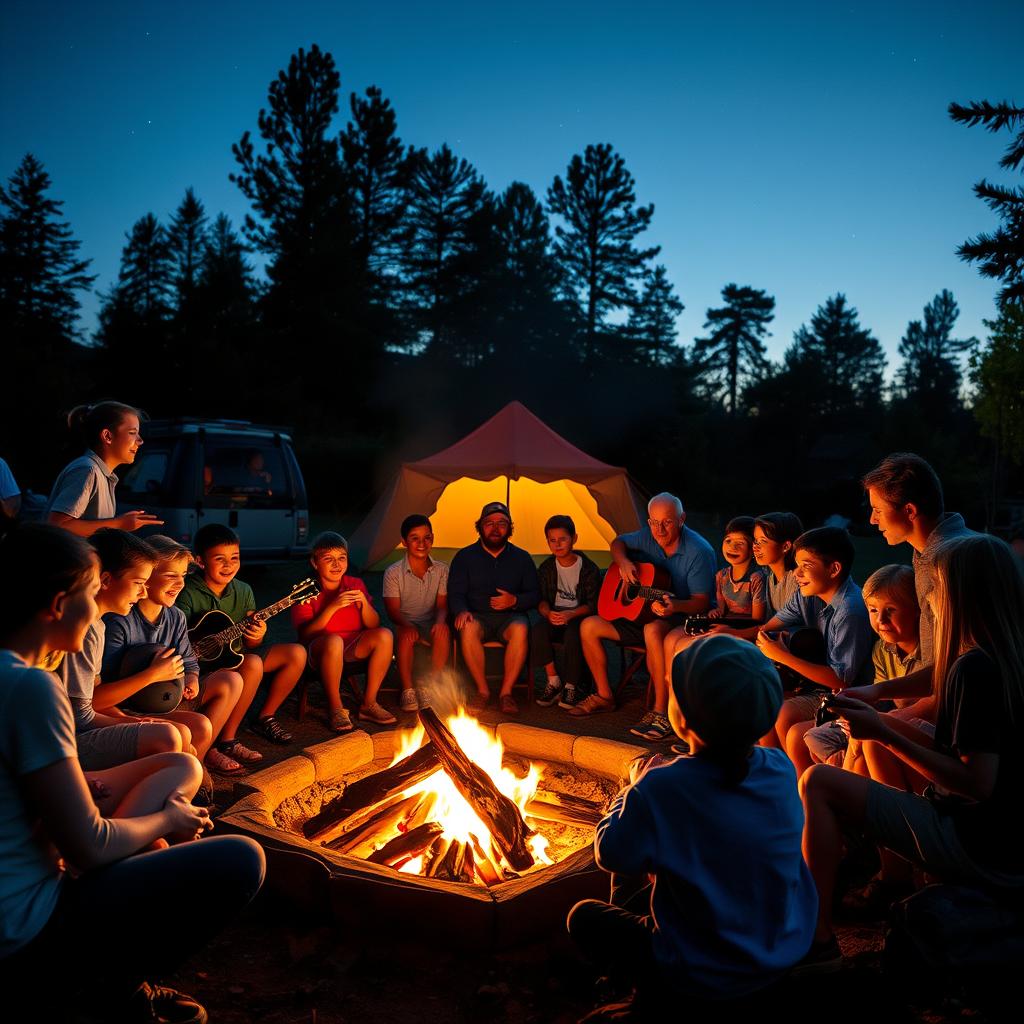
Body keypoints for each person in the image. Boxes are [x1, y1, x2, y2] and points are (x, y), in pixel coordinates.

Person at [0, 523, 265, 1022]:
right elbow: (90, 846)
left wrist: (78, 793)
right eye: (91, 590)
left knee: (173, 770)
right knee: (241, 858)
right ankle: (108, 987)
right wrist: (169, 822)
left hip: (25, 885)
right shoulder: (31, 688)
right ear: (59, 605)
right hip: (25, 929)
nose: (98, 600)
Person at [798, 534, 1024, 973]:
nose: (931, 601)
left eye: (935, 589)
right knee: (876, 736)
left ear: (958, 594)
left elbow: (977, 784)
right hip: (1007, 838)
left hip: (981, 846)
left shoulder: (975, 669)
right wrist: (878, 697)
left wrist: (884, 729)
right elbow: (937, 676)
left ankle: (816, 943)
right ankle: (896, 875)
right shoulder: (1004, 650)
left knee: (817, 782)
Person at [567, 635, 816, 1016]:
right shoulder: (781, 768)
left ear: (681, 717)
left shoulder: (660, 788)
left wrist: (630, 791)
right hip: (778, 951)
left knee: (584, 915)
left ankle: (642, 993)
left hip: (702, 971)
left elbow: (611, 854)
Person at [98, 535, 256, 776]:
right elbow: (104, 688)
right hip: (128, 705)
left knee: (231, 680)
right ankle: (178, 772)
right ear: (147, 577)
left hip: (169, 695)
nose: (180, 583)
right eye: (171, 575)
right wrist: (153, 675)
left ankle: (197, 765)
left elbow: (189, 659)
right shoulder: (119, 622)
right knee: (186, 728)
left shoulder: (175, 617)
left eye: (183, 575)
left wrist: (192, 678)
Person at [573, 492, 716, 745]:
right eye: (654, 522)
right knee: (589, 626)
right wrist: (624, 562)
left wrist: (675, 606)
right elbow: (617, 542)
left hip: (680, 617)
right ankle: (604, 696)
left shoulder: (699, 551)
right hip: (641, 613)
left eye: (667, 522)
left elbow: (702, 602)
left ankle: (661, 712)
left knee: (652, 630)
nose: (659, 530)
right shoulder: (647, 535)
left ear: (682, 519)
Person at [62, 529, 188, 771]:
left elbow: (91, 697)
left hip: (83, 725)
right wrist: (132, 722)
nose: (143, 592)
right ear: (107, 580)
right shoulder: (86, 631)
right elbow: (80, 716)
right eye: (139, 583)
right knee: (167, 737)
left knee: (179, 736)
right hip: (66, 741)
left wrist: (128, 721)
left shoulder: (97, 626)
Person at [178, 523, 306, 745]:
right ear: (200, 561)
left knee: (296, 653)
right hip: (201, 665)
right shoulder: (187, 591)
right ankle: (227, 740)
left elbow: (253, 644)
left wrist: (257, 633)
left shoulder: (244, 590)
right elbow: (177, 634)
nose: (228, 565)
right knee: (253, 663)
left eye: (234, 558)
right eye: (219, 559)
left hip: (235, 655)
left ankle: (264, 717)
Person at [791, 565, 920, 777]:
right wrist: (852, 702)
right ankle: (839, 778)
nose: (881, 620)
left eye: (891, 610)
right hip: (885, 716)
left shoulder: (928, 652)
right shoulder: (882, 649)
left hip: (909, 725)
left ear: (916, 610)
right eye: (873, 610)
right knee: (812, 736)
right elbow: (881, 696)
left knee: (859, 748)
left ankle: (844, 783)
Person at [292, 531, 396, 731]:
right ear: (315, 563)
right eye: (328, 559)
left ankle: (369, 703)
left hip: (351, 646)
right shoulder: (305, 590)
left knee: (384, 635)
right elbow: (305, 634)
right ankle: (336, 708)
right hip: (319, 650)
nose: (336, 564)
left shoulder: (354, 584)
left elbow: (373, 625)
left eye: (341, 558)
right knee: (334, 641)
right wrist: (332, 606)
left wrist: (364, 603)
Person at [448, 501, 540, 716]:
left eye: (502, 523)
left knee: (521, 628)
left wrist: (514, 600)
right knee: (468, 627)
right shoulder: (465, 557)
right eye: (489, 523)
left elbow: (535, 595)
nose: (495, 528)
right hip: (477, 616)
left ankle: (506, 694)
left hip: (511, 617)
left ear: (510, 528)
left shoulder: (522, 558)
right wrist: (461, 610)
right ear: (479, 526)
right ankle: (483, 691)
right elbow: (456, 593)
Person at [659, 515, 766, 696]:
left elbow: (758, 618)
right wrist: (716, 612)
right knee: (672, 640)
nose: (732, 547)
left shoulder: (756, 578)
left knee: (688, 646)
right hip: (725, 624)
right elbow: (722, 610)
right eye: (728, 541)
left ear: (753, 547)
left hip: (744, 629)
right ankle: (674, 695)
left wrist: (726, 626)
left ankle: (696, 697)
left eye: (740, 543)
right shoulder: (722, 576)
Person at [45, 401, 163, 537]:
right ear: (107, 436)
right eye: (132, 433)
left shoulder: (102, 474)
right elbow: (57, 525)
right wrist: (119, 524)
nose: (140, 440)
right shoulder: (87, 470)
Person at [382, 514, 451, 712]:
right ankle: (408, 689)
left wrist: (439, 622)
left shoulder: (441, 570)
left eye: (427, 537)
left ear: (433, 538)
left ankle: (431, 685)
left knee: (443, 631)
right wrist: (407, 625)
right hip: (405, 621)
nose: (422, 543)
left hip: (429, 621)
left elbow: (442, 606)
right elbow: (392, 610)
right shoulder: (393, 573)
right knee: (406, 636)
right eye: (415, 538)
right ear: (404, 542)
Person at [532, 515, 601, 710]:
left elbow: (593, 604)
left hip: (579, 616)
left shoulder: (588, 568)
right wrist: (547, 614)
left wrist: (572, 614)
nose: (558, 544)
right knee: (538, 629)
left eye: (563, 539)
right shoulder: (546, 568)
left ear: (574, 538)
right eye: (552, 540)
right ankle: (553, 681)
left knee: (573, 633)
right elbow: (542, 600)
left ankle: (572, 685)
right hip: (556, 614)